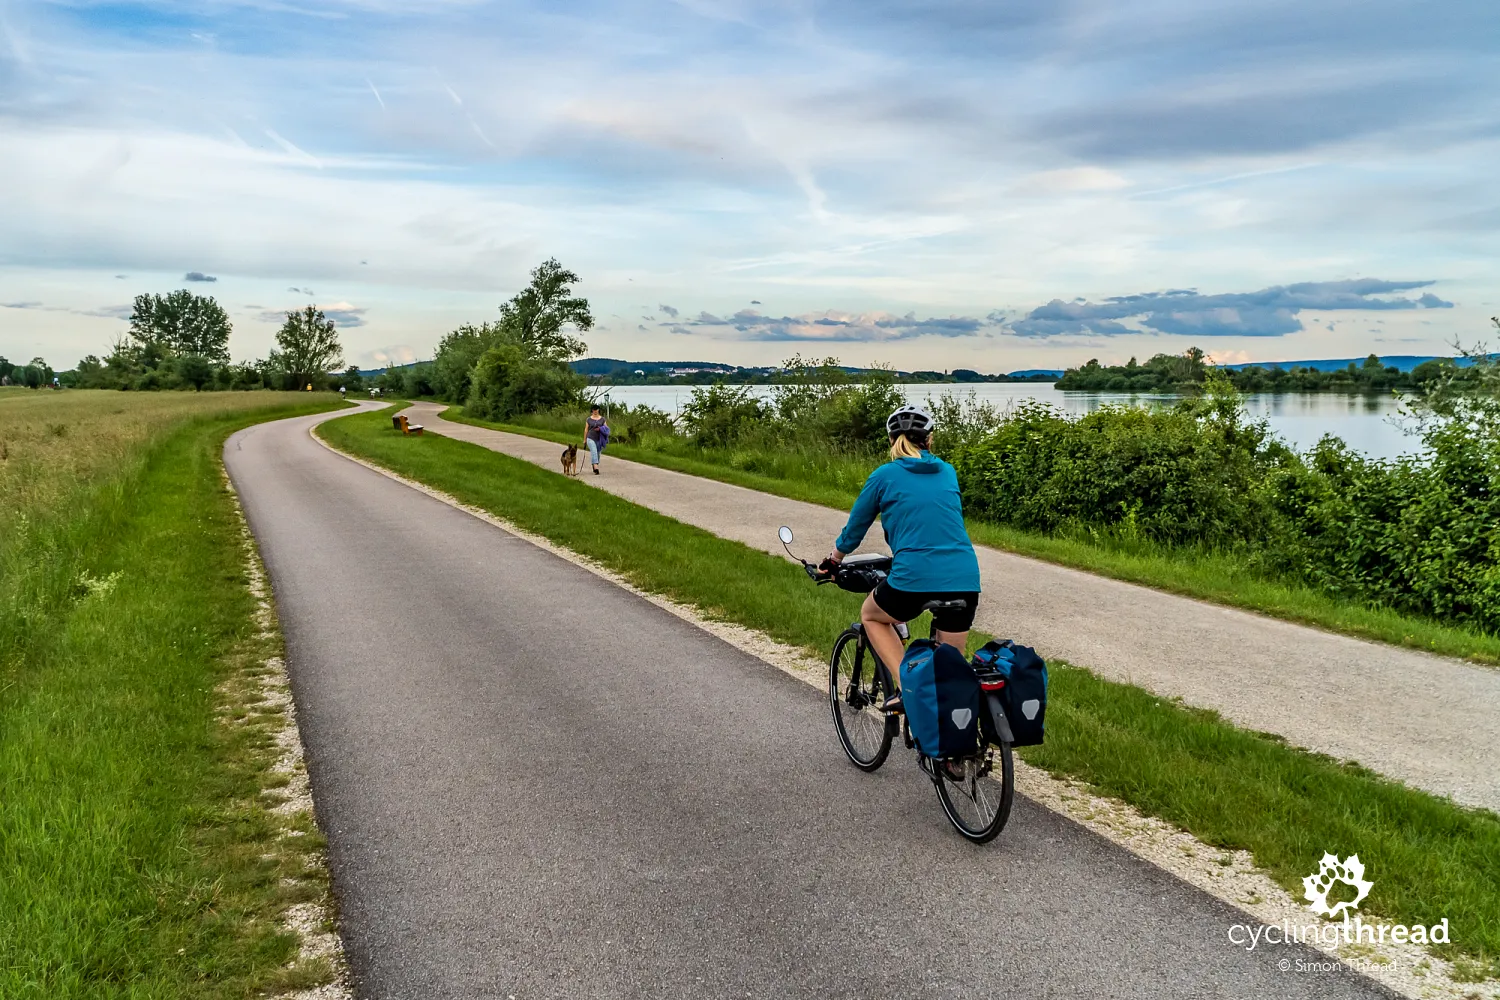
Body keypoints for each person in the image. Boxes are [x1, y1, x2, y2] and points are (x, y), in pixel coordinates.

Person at [824, 404, 980, 712]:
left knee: (871, 614)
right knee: (950, 675)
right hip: (965, 579)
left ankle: (908, 689)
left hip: (913, 577)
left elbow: (855, 530)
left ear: (892, 440)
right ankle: (956, 757)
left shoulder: (885, 475)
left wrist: (833, 561)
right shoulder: (947, 471)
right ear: (929, 439)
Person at [583, 404, 608, 475]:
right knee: (593, 451)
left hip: (599, 439)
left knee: (598, 454)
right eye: (594, 410)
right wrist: (584, 440)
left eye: (596, 409)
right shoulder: (589, 419)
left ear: (598, 410)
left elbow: (606, 429)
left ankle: (594, 466)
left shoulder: (602, 419)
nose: (595, 411)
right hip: (590, 438)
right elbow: (586, 430)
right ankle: (596, 467)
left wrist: (600, 429)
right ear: (592, 410)